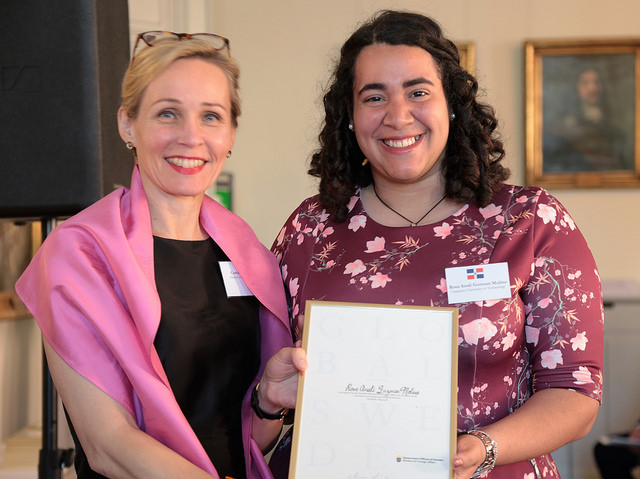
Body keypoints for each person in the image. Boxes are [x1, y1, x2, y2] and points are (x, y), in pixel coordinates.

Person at [270, 10, 603, 479]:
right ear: (349, 116)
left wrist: (481, 449)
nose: (398, 115)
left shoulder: (529, 221)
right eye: (374, 96)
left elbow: (575, 391)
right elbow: (261, 389)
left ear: (451, 105)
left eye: (418, 92)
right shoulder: (310, 228)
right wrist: (268, 398)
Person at [15, 31, 305, 479]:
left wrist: (267, 403)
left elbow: (242, 441)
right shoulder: (79, 255)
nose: (191, 137)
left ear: (230, 134)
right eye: (168, 113)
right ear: (127, 125)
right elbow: (109, 446)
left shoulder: (250, 256)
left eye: (211, 116)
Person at [543, 65, 632, 172]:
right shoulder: (564, 128)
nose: (592, 88)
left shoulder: (614, 130)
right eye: (585, 83)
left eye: (596, 82)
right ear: (575, 87)